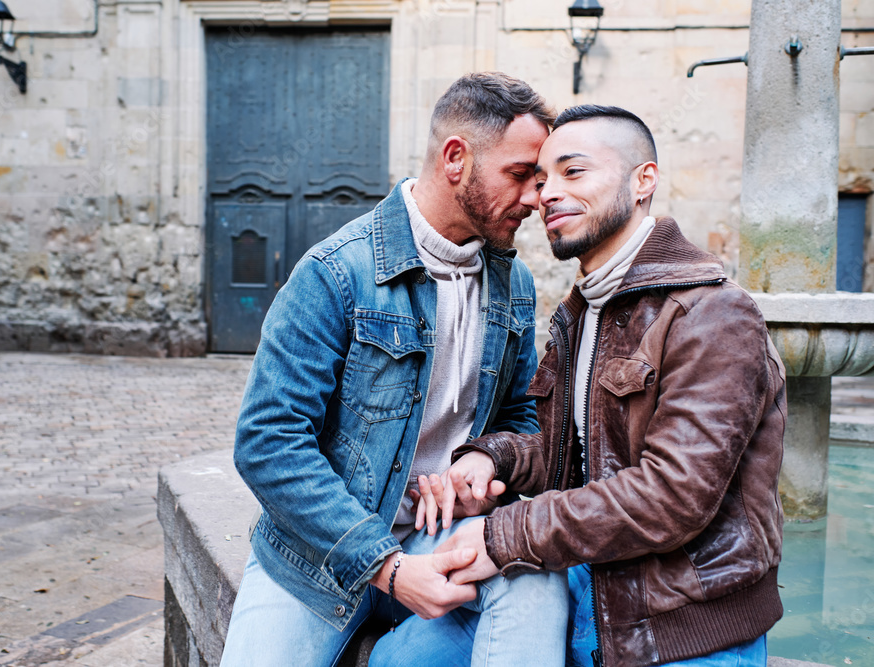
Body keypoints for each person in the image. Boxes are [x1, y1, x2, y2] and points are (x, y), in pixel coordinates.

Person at [378, 105, 786, 667]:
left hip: (681, 624)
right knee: (394, 661)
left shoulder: (713, 314)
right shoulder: (584, 312)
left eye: (574, 173)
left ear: (644, 181)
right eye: (540, 179)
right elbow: (580, 452)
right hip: (582, 585)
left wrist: (503, 535)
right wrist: (494, 459)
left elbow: (673, 496)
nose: (546, 194)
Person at [220, 72, 570, 667]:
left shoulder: (513, 285)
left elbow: (519, 418)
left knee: (537, 576)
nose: (537, 199)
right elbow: (267, 443)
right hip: (320, 555)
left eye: (539, 181)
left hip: (445, 535)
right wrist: (386, 566)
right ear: (456, 158)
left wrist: (478, 463)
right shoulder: (336, 272)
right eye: (520, 176)